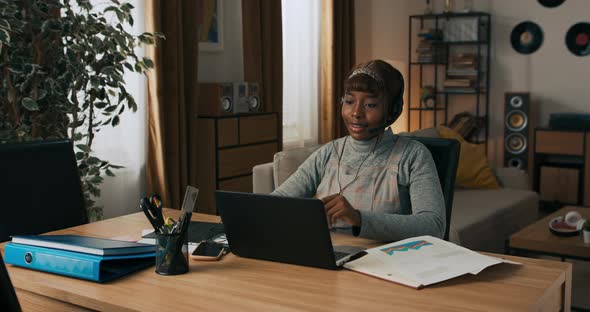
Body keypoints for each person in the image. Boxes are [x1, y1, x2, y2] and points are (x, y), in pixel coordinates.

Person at [272, 59, 445, 242]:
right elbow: (276, 203)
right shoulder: (328, 153)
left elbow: (433, 226)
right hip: (329, 258)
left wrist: (358, 218)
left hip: (387, 263)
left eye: (370, 104)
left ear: (392, 110)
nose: (356, 113)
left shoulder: (413, 156)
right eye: (349, 101)